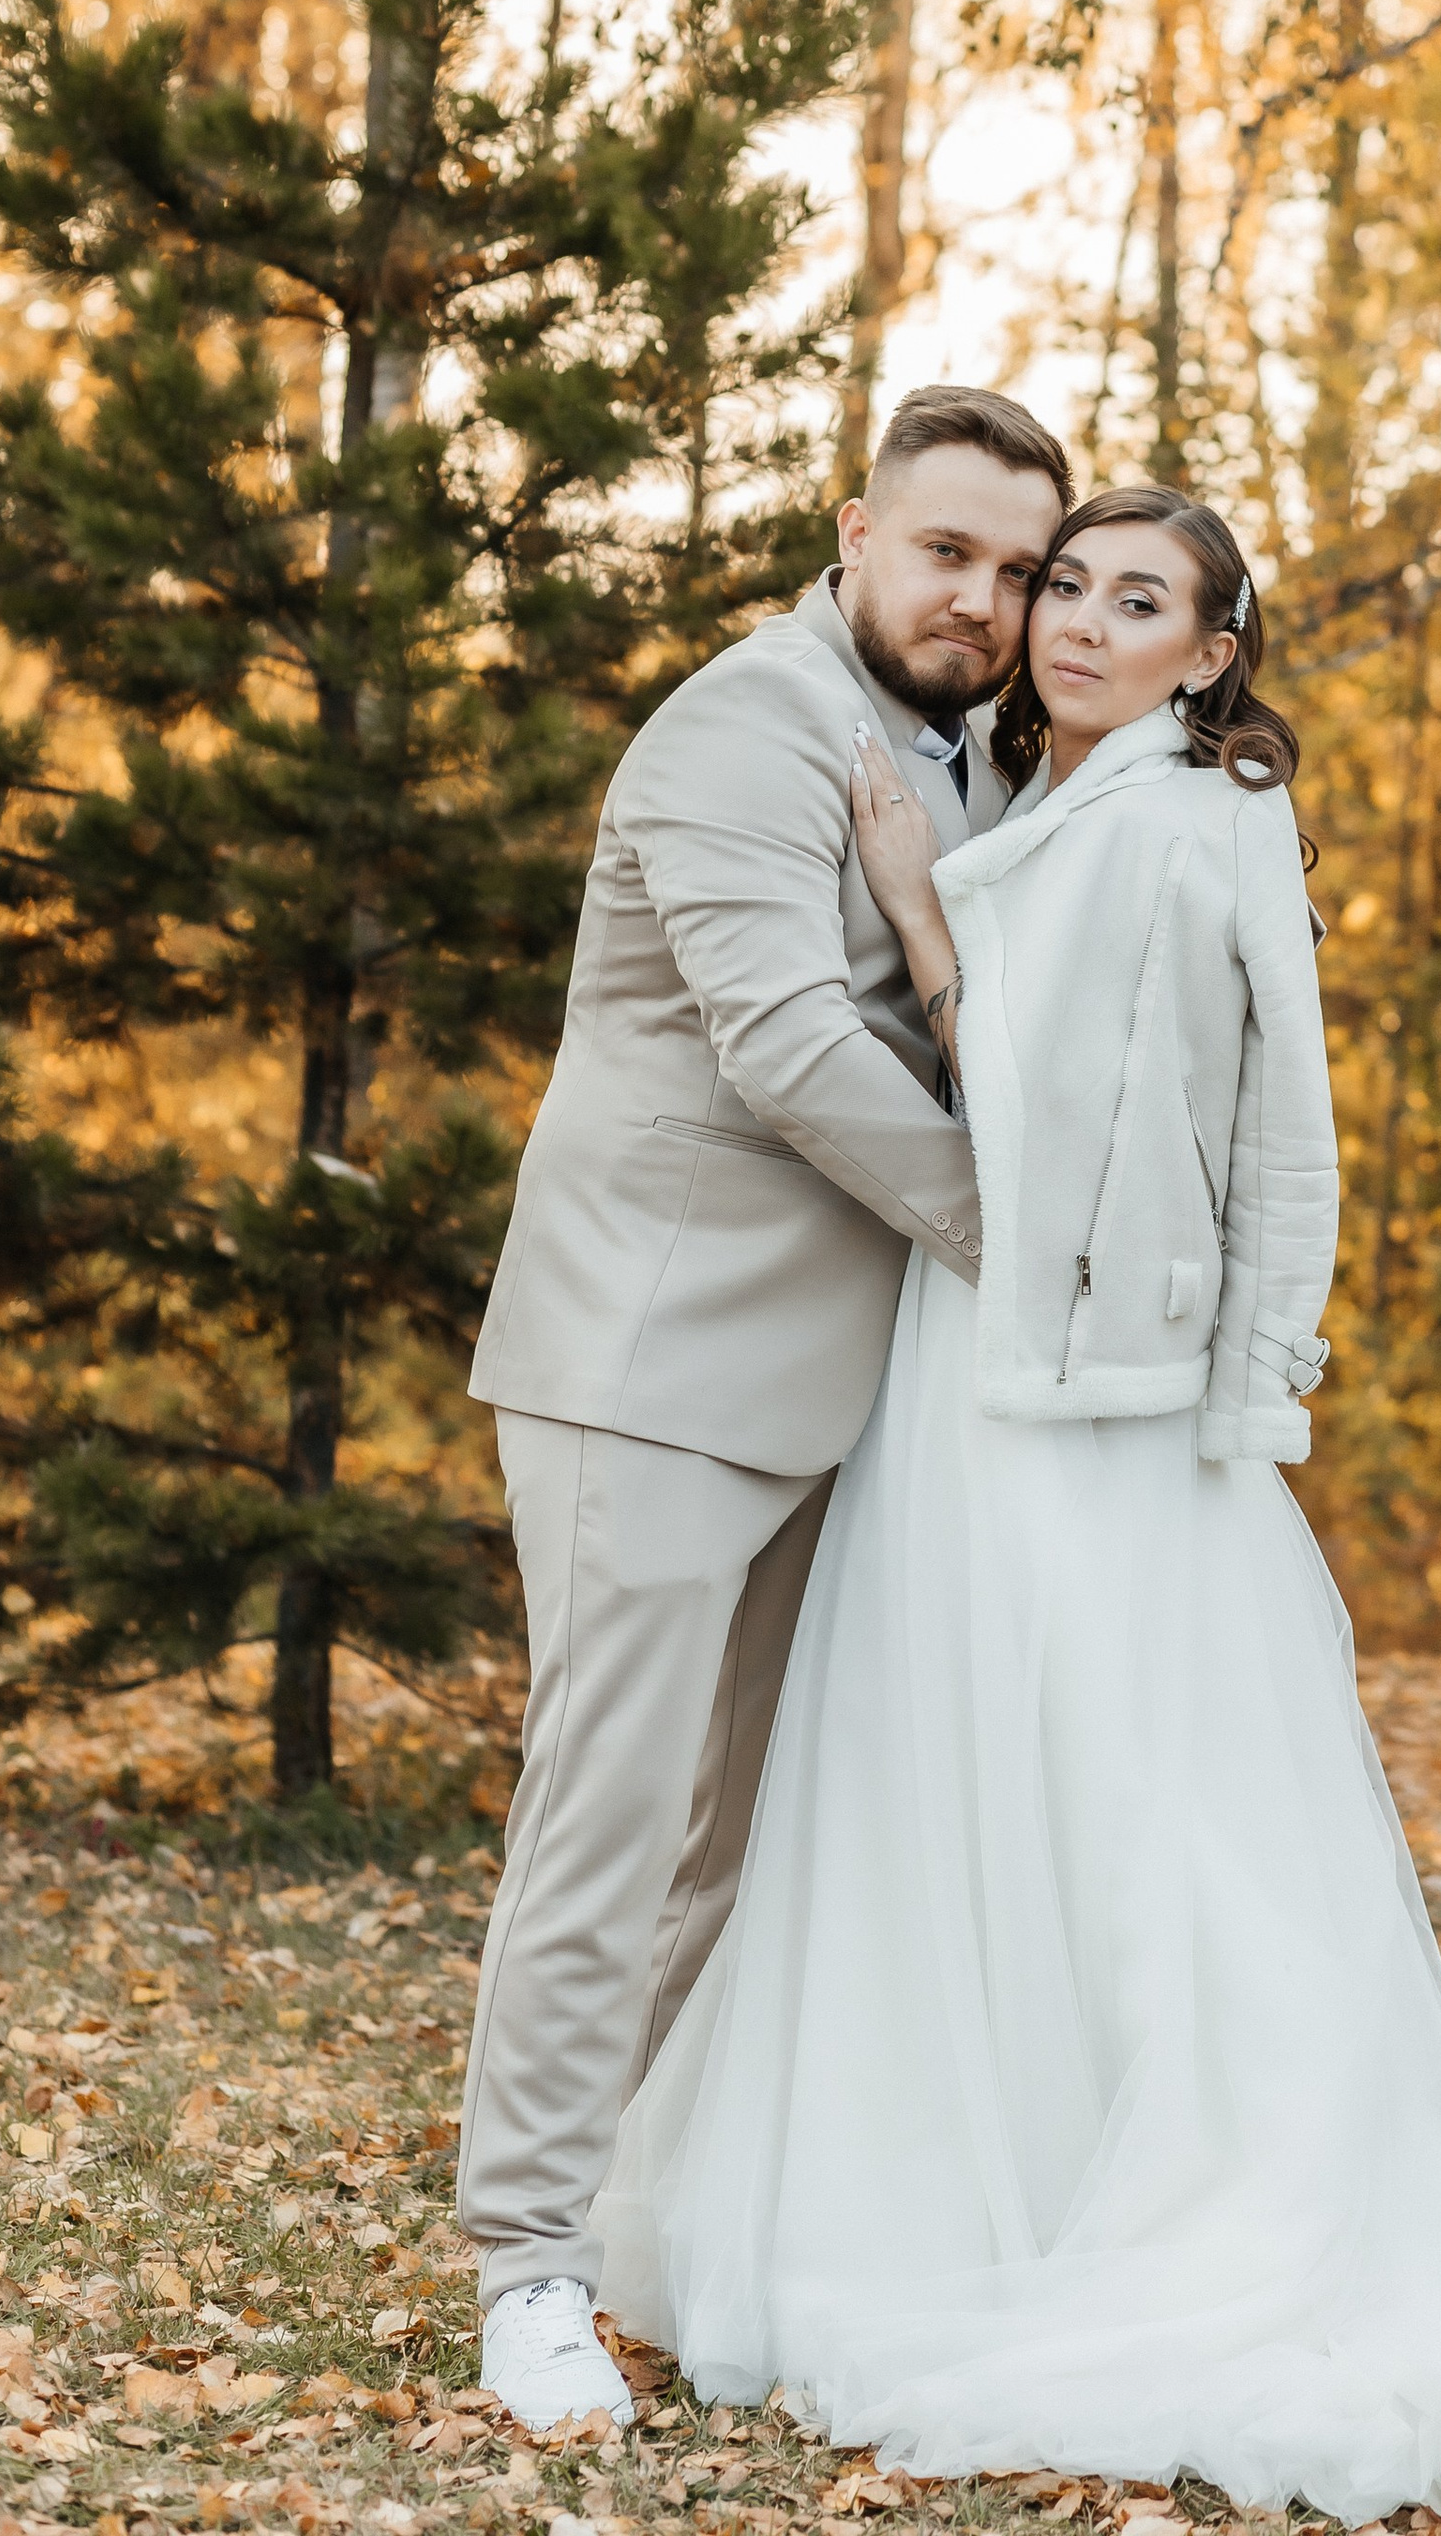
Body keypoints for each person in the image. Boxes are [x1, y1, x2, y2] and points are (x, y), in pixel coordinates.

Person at [595, 486, 1441, 2536]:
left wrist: (1254, 1401)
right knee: (951, 1782)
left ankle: (1201, 2204)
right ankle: (965, 2186)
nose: (1072, 621)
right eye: (1066, 583)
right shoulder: (1029, 810)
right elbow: (1006, 1081)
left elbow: (1280, 1142)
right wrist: (920, 895)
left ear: (1211, 653)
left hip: (1111, 1404)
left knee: (1143, 1809)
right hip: (961, 1373)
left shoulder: (1197, 818)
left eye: (1135, 600)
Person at [456, 386, 1074, 2437]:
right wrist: (1029, 1243)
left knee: (733, 1847)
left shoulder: (968, 761)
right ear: (854, 530)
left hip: (832, 1389)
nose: (979, 601)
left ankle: (633, 2212)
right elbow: (794, 1051)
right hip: (650, 1361)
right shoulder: (742, 722)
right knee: (608, 1823)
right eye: (946, 553)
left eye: (1013, 571)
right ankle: (523, 2270)